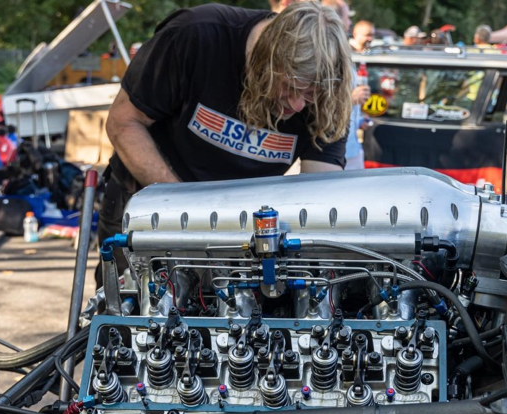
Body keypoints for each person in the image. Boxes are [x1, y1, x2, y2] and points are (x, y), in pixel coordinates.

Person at [101, 2, 353, 284]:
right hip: (148, 204)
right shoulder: (197, 36)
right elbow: (123, 122)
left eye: (309, 93)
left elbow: (318, 192)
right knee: (130, 315)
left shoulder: (328, 98)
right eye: (289, 87)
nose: (296, 104)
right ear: (266, 59)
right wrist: (188, 212)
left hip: (244, 224)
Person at [319, 0, 368, 169]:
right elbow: (317, 102)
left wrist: (360, 118)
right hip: (331, 153)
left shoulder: (343, 51)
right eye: (348, 17)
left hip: (351, 147)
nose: (350, 22)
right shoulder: (326, 54)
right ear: (336, 19)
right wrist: (351, 98)